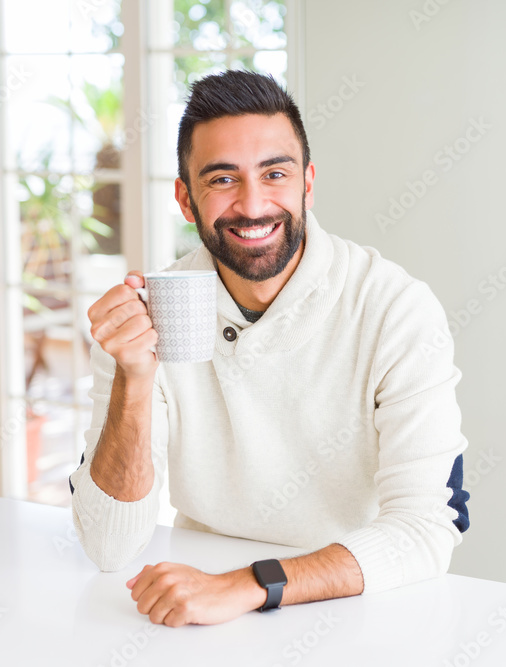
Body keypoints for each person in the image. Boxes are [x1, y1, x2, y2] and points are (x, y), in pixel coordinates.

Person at [70, 69, 470, 627]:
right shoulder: (146, 314)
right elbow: (109, 548)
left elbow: (426, 529)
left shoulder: (394, 308)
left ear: (307, 183)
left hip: (358, 601)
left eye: (274, 173)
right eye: (222, 180)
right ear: (186, 199)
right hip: (199, 609)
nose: (252, 205)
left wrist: (249, 585)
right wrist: (132, 378)